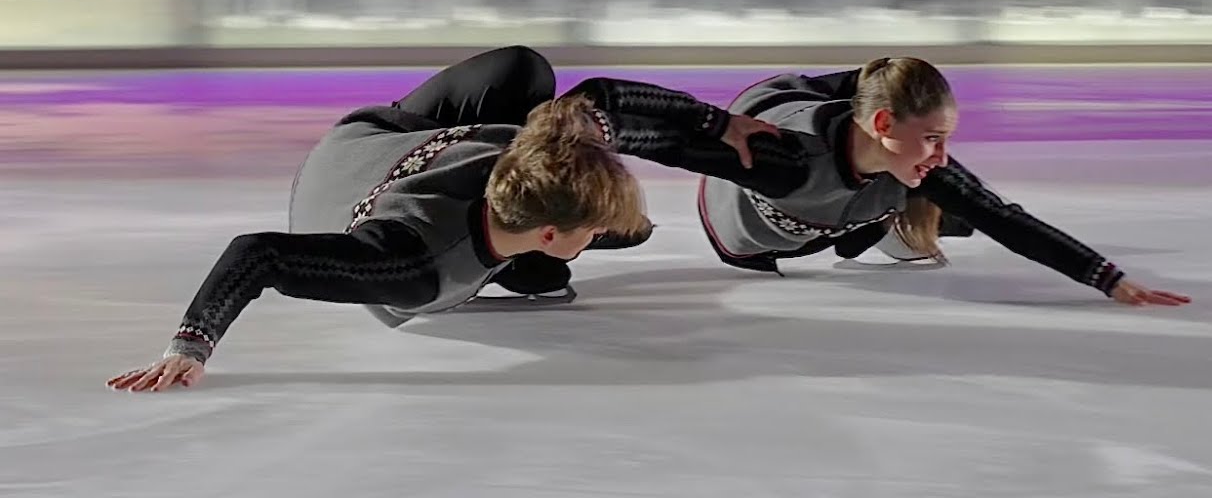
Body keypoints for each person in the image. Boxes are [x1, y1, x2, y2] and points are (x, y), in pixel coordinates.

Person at [107, 46, 777, 393]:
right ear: (547, 233)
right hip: (347, 179)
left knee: (525, 76)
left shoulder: (535, 148)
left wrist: (721, 127)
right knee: (583, 261)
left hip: (392, 156)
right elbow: (259, 253)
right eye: (586, 230)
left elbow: (610, 104)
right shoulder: (413, 269)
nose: (598, 232)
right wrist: (189, 347)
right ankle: (533, 271)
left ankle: (539, 264)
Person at [693, 57, 1192, 307]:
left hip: (849, 177)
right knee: (927, 191)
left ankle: (892, 196)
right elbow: (668, 141)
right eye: (934, 137)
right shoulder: (787, 159)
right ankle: (887, 213)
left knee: (954, 197)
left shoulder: (910, 162)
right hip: (759, 218)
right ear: (883, 123)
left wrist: (1107, 279)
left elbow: (1000, 216)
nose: (944, 154)